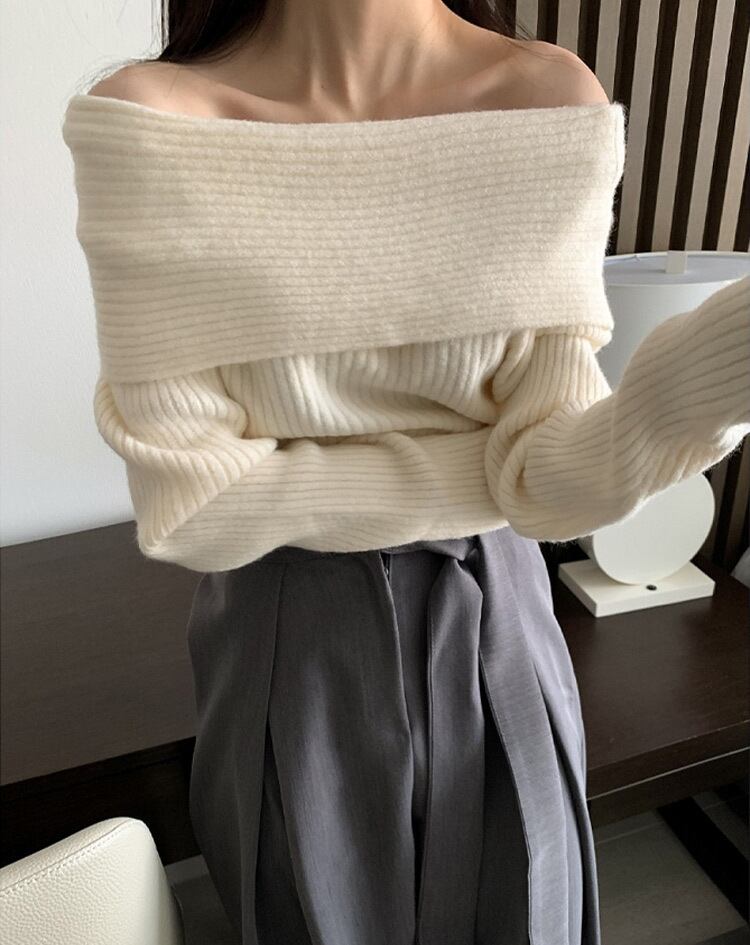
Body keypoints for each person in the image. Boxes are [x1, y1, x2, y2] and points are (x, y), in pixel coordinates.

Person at [60, 3, 750, 944]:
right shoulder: (149, 121)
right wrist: (493, 474)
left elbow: (555, 474)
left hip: (502, 620)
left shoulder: (547, 99)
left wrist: (716, 369)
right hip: (289, 644)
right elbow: (198, 505)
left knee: (531, 912)